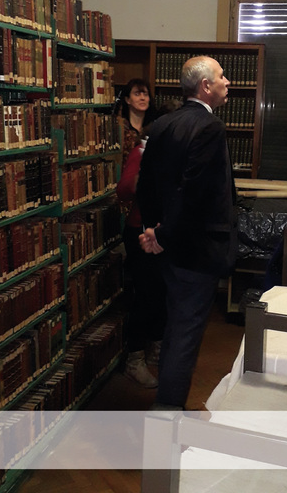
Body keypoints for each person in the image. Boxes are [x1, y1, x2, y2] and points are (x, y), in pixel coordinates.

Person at [137, 55, 237, 410]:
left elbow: (145, 185)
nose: (229, 83)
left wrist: (151, 229)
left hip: (167, 250)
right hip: (195, 251)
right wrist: (161, 235)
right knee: (184, 335)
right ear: (205, 87)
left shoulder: (162, 125)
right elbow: (194, 195)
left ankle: (167, 407)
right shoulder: (210, 129)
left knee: (174, 328)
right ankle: (168, 415)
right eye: (222, 77)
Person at [116, 100, 181, 389]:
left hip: (163, 233)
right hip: (140, 232)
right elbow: (125, 189)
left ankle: (155, 349)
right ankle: (135, 359)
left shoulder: (171, 152)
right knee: (145, 296)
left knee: (162, 294)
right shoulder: (142, 151)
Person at [119, 78, 157, 168]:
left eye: (145, 94)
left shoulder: (155, 127)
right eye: (137, 94)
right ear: (128, 100)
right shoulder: (120, 127)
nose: (142, 98)